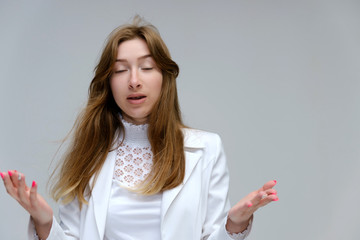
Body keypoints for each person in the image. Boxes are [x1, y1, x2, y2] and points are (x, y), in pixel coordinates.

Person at [1, 17, 278, 240]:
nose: (134, 81)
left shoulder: (206, 148)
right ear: (108, 83)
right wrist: (45, 222)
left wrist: (234, 224)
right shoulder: (89, 151)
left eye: (146, 67)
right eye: (120, 70)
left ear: (164, 78)